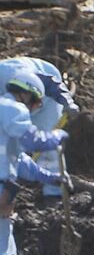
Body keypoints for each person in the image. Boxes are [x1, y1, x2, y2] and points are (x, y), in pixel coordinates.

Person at [0, 71, 70, 255]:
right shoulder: (11, 108)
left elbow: (21, 162)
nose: (35, 109)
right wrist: (55, 137)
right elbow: (32, 139)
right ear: (27, 94)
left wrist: (52, 178)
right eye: (37, 103)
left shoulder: (5, 122)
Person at [0, 57, 79, 202]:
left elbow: (50, 83)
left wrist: (68, 102)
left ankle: (55, 194)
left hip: (46, 98)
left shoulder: (15, 74)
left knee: (47, 143)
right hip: (26, 98)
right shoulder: (9, 105)